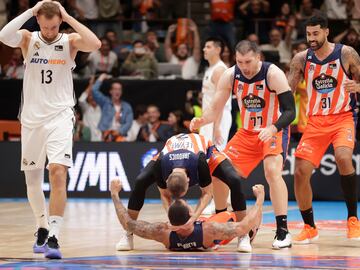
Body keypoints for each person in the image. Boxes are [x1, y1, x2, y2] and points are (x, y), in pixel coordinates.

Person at [0, 0, 101, 259]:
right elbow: (3, 35)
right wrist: (29, 12)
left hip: (59, 116)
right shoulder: (28, 38)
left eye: (54, 26)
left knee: (57, 172)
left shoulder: (68, 41)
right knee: (32, 180)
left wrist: (68, 17)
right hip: (32, 120)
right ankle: (42, 227)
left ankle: (54, 235)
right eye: (45, 26)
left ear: (59, 22)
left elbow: (95, 44)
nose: (49, 31)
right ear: (39, 22)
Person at [190, 40, 296, 249]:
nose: (244, 67)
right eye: (240, 62)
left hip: (273, 130)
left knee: (272, 171)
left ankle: (283, 231)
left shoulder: (273, 74)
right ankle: (222, 222)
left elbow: (290, 111)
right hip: (247, 133)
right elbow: (215, 107)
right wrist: (203, 120)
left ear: (258, 57)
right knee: (218, 170)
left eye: (248, 61)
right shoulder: (231, 75)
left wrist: (273, 128)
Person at [287, 14, 360, 243]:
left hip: (342, 117)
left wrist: (356, 85)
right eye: (308, 34)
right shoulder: (300, 59)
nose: (311, 38)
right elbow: (287, 91)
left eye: (316, 33)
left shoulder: (346, 53)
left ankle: (352, 219)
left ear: (327, 32)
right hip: (316, 122)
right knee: (300, 172)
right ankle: (310, 227)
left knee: (343, 157)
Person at [116, 133, 249, 252]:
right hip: (170, 152)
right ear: (166, 179)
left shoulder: (200, 162)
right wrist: (172, 219)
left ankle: (243, 235)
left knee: (234, 180)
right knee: (140, 181)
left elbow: (207, 193)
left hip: (206, 151)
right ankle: (128, 234)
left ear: (189, 180)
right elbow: (164, 194)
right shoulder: (160, 164)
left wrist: (193, 218)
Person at [110, 179, 264, 251]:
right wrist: (260, 199)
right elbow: (243, 226)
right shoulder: (208, 229)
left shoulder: (162, 232)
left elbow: (127, 223)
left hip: (192, 236)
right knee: (236, 217)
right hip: (213, 239)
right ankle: (252, 234)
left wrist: (114, 194)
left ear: (169, 220)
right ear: (191, 213)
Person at [200, 37, 231, 151]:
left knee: (215, 155)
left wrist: (217, 127)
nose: (204, 49)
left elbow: (221, 101)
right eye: (204, 47)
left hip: (218, 118)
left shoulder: (219, 70)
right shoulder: (210, 69)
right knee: (205, 156)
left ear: (218, 50)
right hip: (208, 118)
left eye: (208, 47)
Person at [92, 73, 133, 141]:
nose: (117, 91)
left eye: (119, 89)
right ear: (110, 91)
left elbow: (129, 123)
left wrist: (119, 132)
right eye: (115, 89)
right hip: (104, 135)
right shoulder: (105, 102)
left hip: (120, 137)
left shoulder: (127, 107)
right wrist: (101, 78)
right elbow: (94, 91)